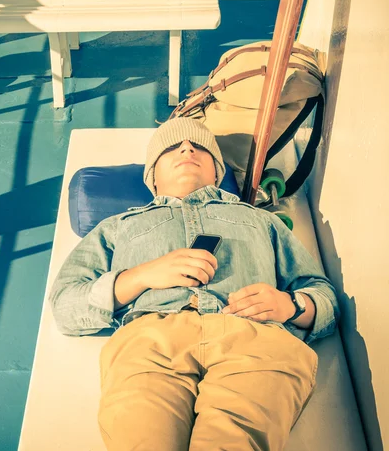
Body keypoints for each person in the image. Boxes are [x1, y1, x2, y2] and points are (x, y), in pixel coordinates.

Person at [50, 117, 339, 451]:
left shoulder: (262, 220)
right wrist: (141, 276)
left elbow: (324, 295)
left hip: (254, 338)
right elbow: (64, 305)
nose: (187, 148)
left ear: (217, 172)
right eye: (172, 147)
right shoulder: (118, 226)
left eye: (199, 146)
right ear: (152, 178)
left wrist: (291, 305)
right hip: (150, 341)